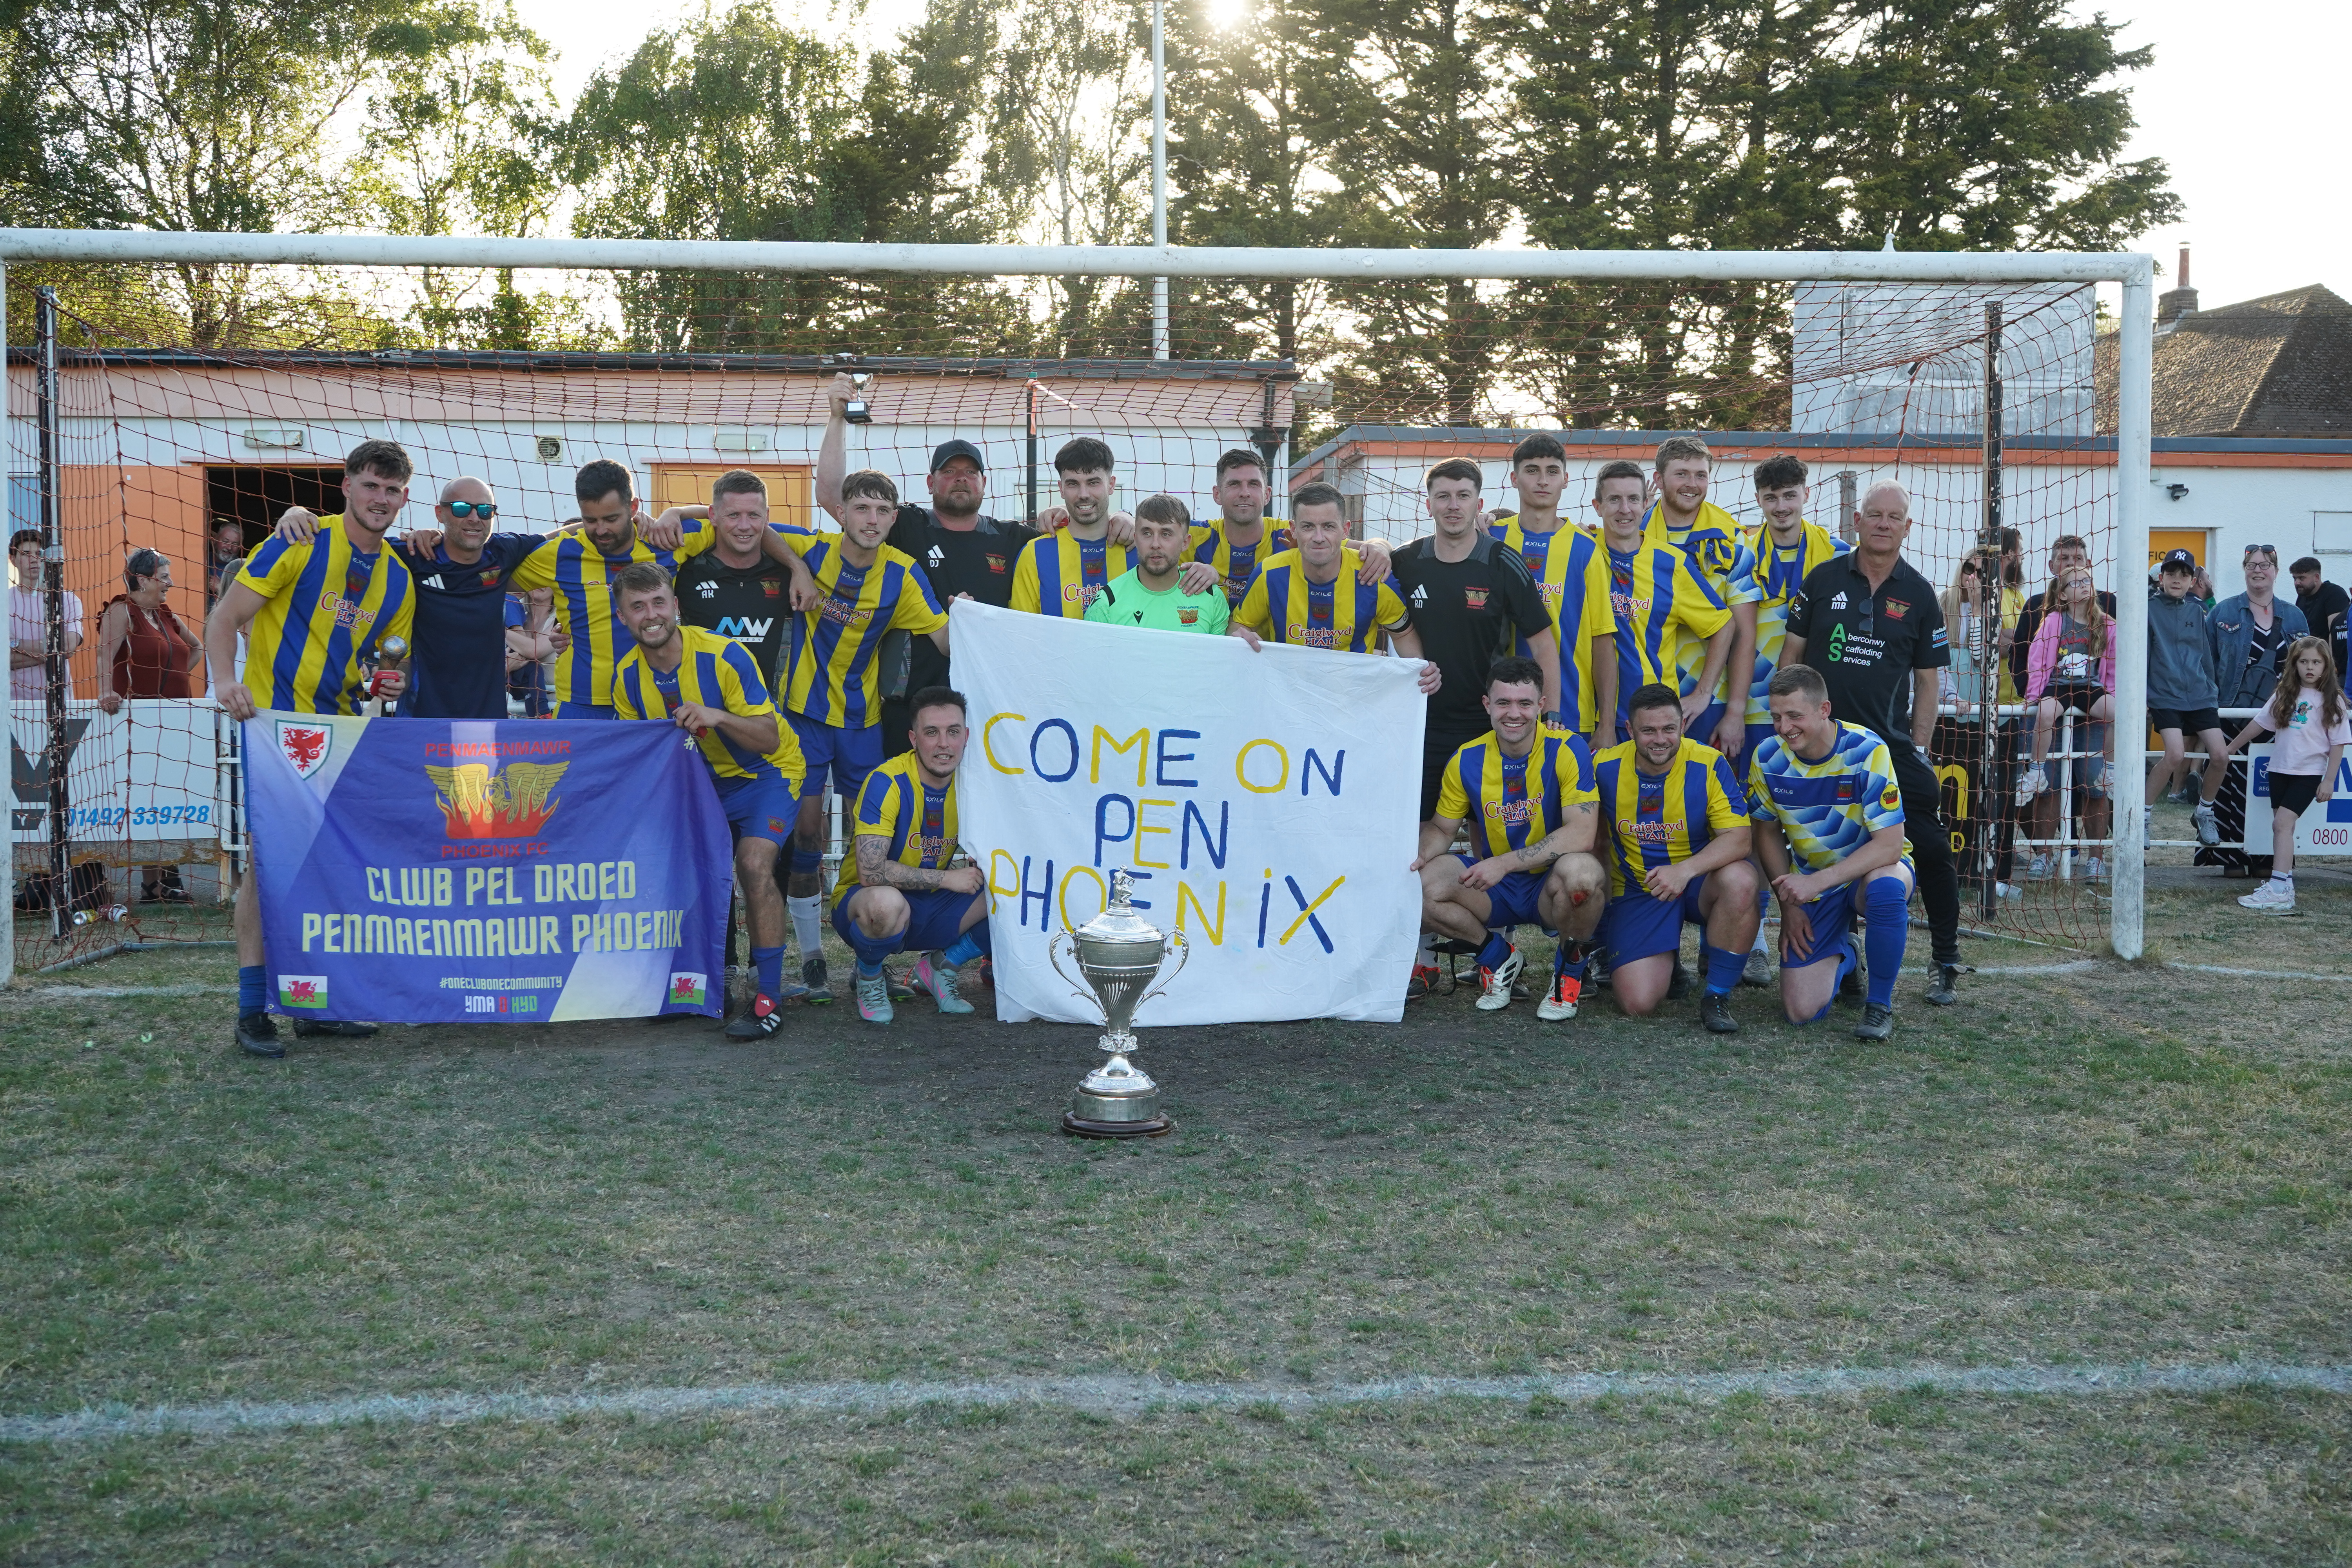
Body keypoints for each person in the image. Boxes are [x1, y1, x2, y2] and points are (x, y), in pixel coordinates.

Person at [205, 438, 416, 1059]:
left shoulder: (399, 580)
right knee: (268, 868)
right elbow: (224, 617)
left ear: (404, 499)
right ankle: (251, 1009)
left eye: (393, 490)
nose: (381, 499)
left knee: (326, 868)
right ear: (347, 485)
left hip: (343, 735)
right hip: (277, 731)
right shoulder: (300, 541)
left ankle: (315, 1005)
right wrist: (224, 681)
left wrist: (388, 680)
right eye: (372, 485)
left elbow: (383, 665)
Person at [776, 468, 954, 1007]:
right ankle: (811, 961)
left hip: (861, 724)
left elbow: (946, 640)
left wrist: (975, 624)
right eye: (861, 509)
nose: (871, 520)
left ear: (893, 519)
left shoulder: (903, 574)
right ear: (843, 513)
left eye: (882, 511)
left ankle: (865, 960)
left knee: (869, 843)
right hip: (802, 719)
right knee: (805, 838)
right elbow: (756, 526)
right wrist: (793, 570)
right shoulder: (813, 549)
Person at [1780, 481, 1961, 1006]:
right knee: (1824, 847)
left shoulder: (1921, 593)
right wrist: (1792, 729)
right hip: (1822, 747)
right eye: (1874, 515)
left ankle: (1945, 960)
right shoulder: (1822, 581)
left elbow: (1928, 682)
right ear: (1856, 523)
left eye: (1894, 517)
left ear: (1908, 527)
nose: (1883, 523)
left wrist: (1920, 748)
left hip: (1890, 750)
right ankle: (1842, 952)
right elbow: (1791, 660)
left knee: (1929, 845)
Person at [610, 562, 808, 1038]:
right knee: (682, 870)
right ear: (622, 617)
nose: (651, 615)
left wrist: (717, 716)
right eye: (638, 607)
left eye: (659, 603)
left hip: (768, 774)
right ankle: (705, 987)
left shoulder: (726, 655)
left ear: (676, 606)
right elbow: (638, 755)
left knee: (754, 864)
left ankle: (768, 1000)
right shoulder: (626, 679)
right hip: (700, 786)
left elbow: (766, 736)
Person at [813, 372, 1039, 751]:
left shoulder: (1014, 539)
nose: (960, 479)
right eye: (949, 472)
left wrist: (1121, 523)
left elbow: (1075, 544)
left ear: (985, 483)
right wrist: (837, 418)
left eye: (970, 472)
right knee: (903, 805)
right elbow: (834, 495)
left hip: (989, 703)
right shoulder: (906, 526)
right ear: (931, 483)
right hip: (909, 704)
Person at [510, 459, 814, 720]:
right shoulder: (560, 554)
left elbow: (732, 521)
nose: (601, 530)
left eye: (612, 519)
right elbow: (499, 582)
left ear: (633, 508)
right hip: (583, 704)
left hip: (655, 700)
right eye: (591, 520)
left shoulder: (666, 540)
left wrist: (677, 512)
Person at [272, 476, 570, 721]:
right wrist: (297, 513)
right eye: (462, 508)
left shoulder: (503, 552)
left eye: (485, 510)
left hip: (486, 718)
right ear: (440, 514)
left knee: (478, 795)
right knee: (420, 795)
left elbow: (564, 534)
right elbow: (350, 539)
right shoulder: (413, 555)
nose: (474, 518)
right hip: (422, 716)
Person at [1410, 655, 1607, 1019]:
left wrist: (1502, 863)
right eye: (1503, 703)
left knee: (1585, 876)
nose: (1513, 713)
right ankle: (1500, 958)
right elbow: (1441, 829)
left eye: (1524, 703)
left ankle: (1568, 975)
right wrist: (1417, 857)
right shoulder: (1466, 759)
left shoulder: (1567, 748)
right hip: (1498, 890)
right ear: (1487, 705)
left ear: (1541, 706)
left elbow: (1582, 832)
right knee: (1419, 885)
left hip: (1550, 883)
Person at [1747, 664, 1915, 1041]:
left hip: (1870, 871)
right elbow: (1767, 833)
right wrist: (1789, 906)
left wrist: (1817, 882)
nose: (1784, 727)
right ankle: (1848, 956)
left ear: (1824, 710)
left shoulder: (1868, 750)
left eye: (1794, 715)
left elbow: (1889, 845)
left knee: (1885, 889)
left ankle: (1879, 1006)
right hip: (1814, 885)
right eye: (1776, 717)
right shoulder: (1767, 757)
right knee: (1800, 1012)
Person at [1591, 682, 1760, 1032]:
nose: (1660, 739)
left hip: (1698, 883)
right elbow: (1595, 842)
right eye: (1648, 730)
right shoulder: (1603, 768)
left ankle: (1716, 996)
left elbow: (1740, 840)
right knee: (1637, 1004)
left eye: (1669, 729)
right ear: (1630, 731)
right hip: (1640, 890)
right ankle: (1667, 959)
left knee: (1741, 879)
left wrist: (1684, 870)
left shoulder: (1709, 762)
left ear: (1683, 727)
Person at [832, 687, 992, 1024]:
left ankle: (941, 967)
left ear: (966, 737)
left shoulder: (977, 782)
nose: (944, 744)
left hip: (932, 902)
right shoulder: (887, 781)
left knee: (1017, 892)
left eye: (953, 732)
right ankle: (870, 976)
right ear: (913, 738)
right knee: (883, 904)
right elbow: (871, 873)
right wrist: (949, 878)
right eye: (931, 732)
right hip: (867, 901)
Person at [1227, 483, 1439, 693]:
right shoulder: (1269, 573)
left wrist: (1422, 670)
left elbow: (1402, 634)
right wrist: (1238, 637)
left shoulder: (1373, 576)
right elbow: (1239, 626)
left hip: (1354, 698)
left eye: (1329, 526)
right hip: (1286, 698)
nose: (1319, 538)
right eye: (1308, 526)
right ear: (1294, 529)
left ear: (1345, 530)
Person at [1591, 460, 1733, 745]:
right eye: (1614, 500)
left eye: (1633, 499)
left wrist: (1703, 693)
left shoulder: (1672, 563)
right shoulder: (1581, 551)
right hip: (1588, 715)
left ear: (1646, 503)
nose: (1625, 509)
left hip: (1653, 720)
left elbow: (1723, 624)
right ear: (1598, 506)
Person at [1488, 433, 1618, 740]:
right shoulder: (1491, 538)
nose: (1543, 480)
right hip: (1501, 712)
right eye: (1532, 470)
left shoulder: (1587, 549)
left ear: (1566, 480)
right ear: (1514, 479)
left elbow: (1603, 642)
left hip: (1573, 713)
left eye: (1552, 471)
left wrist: (1608, 724)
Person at [93, 548, 203, 904]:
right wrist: (106, 691)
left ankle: (164, 879)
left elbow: (196, 647)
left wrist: (173, 680)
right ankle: (153, 883)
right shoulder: (121, 610)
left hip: (175, 719)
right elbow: (103, 654)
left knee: (171, 796)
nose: (170, 583)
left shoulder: (166, 614)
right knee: (146, 799)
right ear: (143, 580)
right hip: (137, 722)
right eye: (164, 577)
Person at [1642, 436, 1760, 758]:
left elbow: (1745, 634)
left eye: (1700, 475)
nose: (1691, 484)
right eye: (1681, 474)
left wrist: (1734, 711)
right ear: (1658, 479)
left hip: (1709, 702)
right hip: (1641, 700)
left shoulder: (1734, 541)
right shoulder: (1630, 537)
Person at [2007, 535, 2118, 875]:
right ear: (2053, 566)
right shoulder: (2040, 607)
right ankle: (2045, 854)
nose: (2072, 563)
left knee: (2095, 782)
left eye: (2078, 558)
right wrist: (2036, 696)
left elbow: (2116, 656)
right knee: (2049, 782)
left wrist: (2111, 695)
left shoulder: (2109, 605)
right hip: (2052, 698)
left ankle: (2096, 859)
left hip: (2092, 703)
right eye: (2065, 558)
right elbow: (2023, 654)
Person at [2215, 635, 2350, 915]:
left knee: (2282, 825)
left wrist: (2329, 780)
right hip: (2278, 770)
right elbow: (2259, 724)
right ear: (2295, 664)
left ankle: (2277, 889)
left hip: (2309, 773)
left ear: (2326, 666)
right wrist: (2230, 748)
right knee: (2282, 827)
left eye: (2316, 662)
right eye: (2304, 662)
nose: (2310, 668)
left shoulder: (2332, 699)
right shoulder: (2284, 694)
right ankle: (2284, 883)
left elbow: (2338, 743)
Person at [2200, 544, 2308, 880]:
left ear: (2276, 572)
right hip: (2231, 712)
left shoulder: (2295, 616)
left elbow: (2308, 666)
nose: (2258, 570)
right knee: (2230, 782)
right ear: (2244, 569)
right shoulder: (2223, 614)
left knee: (2270, 786)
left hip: (2281, 716)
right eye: (2251, 564)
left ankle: (2267, 856)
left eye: (2265, 565)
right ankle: (2230, 854)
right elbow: (2207, 662)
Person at [666, 469, 809, 688]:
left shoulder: (787, 575)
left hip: (765, 712)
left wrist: (799, 567)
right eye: (733, 515)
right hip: (701, 707)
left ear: (767, 517)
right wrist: (674, 512)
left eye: (754, 515)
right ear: (712, 515)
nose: (744, 526)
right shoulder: (688, 573)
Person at [2146, 548, 2229, 849]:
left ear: (2193, 580)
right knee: (2176, 755)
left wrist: (2212, 689)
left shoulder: (2198, 610)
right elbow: (2143, 656)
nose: (2177, 579)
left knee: (2221, 756)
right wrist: (2145, 696)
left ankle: (2204, 812)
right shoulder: (2148, 609)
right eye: (2171, 574)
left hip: (2200, 695)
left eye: (2183, 575)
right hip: (2164, 696)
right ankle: (2143, 815)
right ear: (2161, 577)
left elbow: (2206, 656)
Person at [1010, 437, 1133, 618]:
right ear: (1061, 488)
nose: (1084, 495)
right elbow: (1021, 632)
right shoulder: (1034, 554)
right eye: (1073, 484)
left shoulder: (1139, 547)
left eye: (1093, 483)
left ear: (1111, 485)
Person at [1087, 495, 1233, 634]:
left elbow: (1217, 659)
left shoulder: (1212, 598)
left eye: (1166, 534)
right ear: (1136, 539)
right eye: (1147, 534)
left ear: (1185, 543)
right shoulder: (1107, 602)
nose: (1155, 545)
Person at [10, 528, 83, 700]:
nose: (34, 559)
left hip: (59, 704)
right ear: (13, 560)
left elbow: (67, 648)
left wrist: (14, 644)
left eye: (39, 553)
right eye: (26, 554)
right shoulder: (3, 602)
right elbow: (4, 660)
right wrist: (51, 654)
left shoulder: (67, 599)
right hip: (12, 706)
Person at [2290, 557, 2348, 678]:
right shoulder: (2302, 598)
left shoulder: (2334, 594)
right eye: (2295, 578)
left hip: (2330, 668)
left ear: (2316, 578)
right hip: (2310, 664)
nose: (2297, 583)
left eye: (2302, 578)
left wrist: (2331, 667)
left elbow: (2336, 633)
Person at [207, 520, 247, 605]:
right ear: (215, 540)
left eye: (235, 544)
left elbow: (245, 603)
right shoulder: (203, 559)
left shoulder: (243, 568)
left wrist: (220, 588)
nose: (229, 547)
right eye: (225, 542)